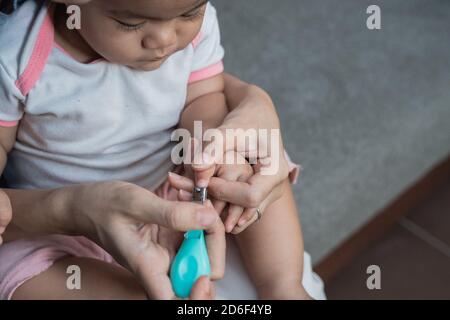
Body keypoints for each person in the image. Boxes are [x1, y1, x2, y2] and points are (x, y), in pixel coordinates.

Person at [0, 0, 324, 299]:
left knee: (257, 159)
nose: (166, 40)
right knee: (23, 272)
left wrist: (215, 152)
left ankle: (283, 284)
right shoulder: (16, 56)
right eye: (131, 23)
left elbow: (203, 99)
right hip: (62, 225)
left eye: (188, 14)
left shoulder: (193, 30)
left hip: (173, 187)